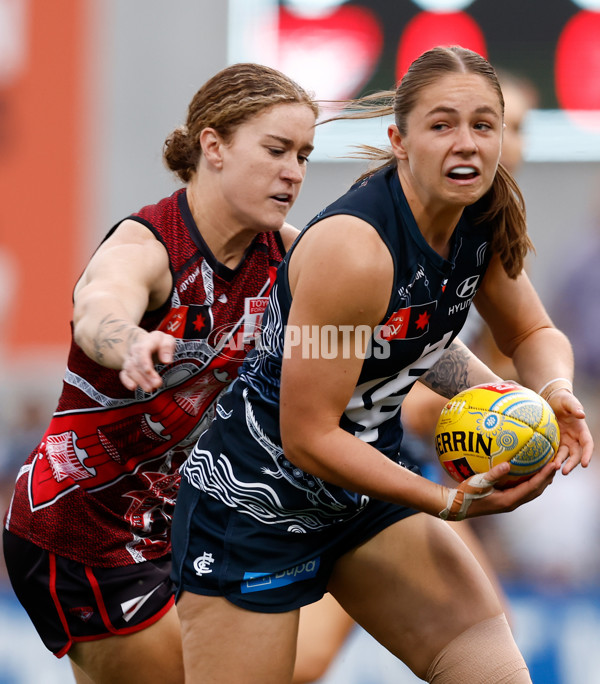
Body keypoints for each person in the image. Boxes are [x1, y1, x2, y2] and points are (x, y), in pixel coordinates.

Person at [171, 46, 593, 684]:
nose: (468, 144)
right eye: (442, 125)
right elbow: (308, 435)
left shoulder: (484, 213)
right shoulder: (355, 249)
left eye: (485, 125)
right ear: (399, 140)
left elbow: (529, 329)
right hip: (256, 505)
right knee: (301, 667)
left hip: (365, 489)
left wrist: (553, 390)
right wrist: (443, 500)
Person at [2, 62, 318, 684]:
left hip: (175, 529)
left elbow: (388, 329)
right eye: (277, 150)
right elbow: (98, 309)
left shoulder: (290, 253)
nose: (294, 172)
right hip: (79, 532)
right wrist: (131, 343)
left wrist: (487, 386)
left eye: (304, 155)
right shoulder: (148, 246)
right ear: (214, 146)